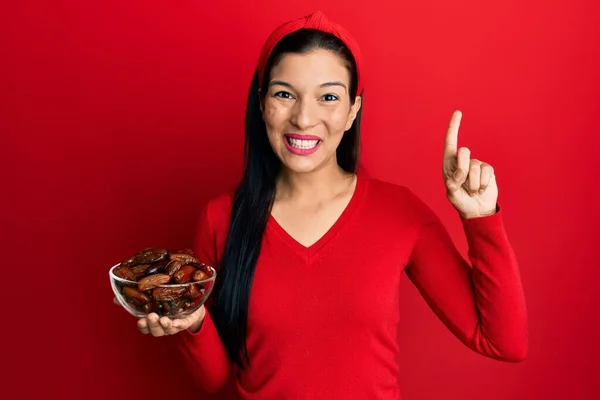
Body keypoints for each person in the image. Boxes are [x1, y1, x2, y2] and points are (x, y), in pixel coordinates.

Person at [134, 11, 528, 399]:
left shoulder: (400, 213)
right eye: (284, 94)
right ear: (261, 102)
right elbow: (216, 378)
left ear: (353, 110)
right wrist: (194, 323)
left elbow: (503, 343)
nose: (304, 118)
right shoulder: (221, 218)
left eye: (328, 97)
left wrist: (480, 218)